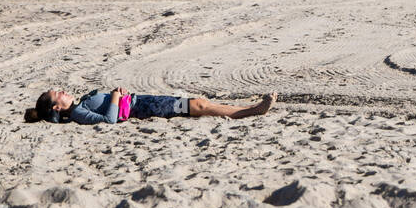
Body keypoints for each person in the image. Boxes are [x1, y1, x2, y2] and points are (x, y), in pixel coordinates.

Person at [25, 88, 276, 125]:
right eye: (58, 94)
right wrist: (114, 96)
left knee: (199, 103)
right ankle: (252, 111)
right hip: (145, 108)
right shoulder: (78, 113)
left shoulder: (78, 107)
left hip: (141, 101)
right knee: (199, 105)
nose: (63, 91)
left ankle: (247, 109)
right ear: (57, 108)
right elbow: (109, 121)